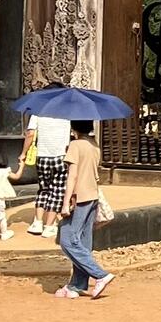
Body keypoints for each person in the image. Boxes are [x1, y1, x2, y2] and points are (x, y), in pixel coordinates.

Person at [55, 119, 115, 300]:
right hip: (92, 196)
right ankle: (77, 285)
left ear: (73, 128)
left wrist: (65, 203)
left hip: (79, 197)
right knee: (83, 241)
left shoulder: (75, 145)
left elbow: (72, 177)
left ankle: (100, 275)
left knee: (67, 239)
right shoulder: (94, 145)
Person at [18, 109, 73, 237]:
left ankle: (37, 222)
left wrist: (23, 153)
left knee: (43, 189)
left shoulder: (38, 111)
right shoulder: (67, 112)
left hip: (42, 156)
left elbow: (30, 133)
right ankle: (49, 225)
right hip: (61, 156)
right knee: (57, 190)